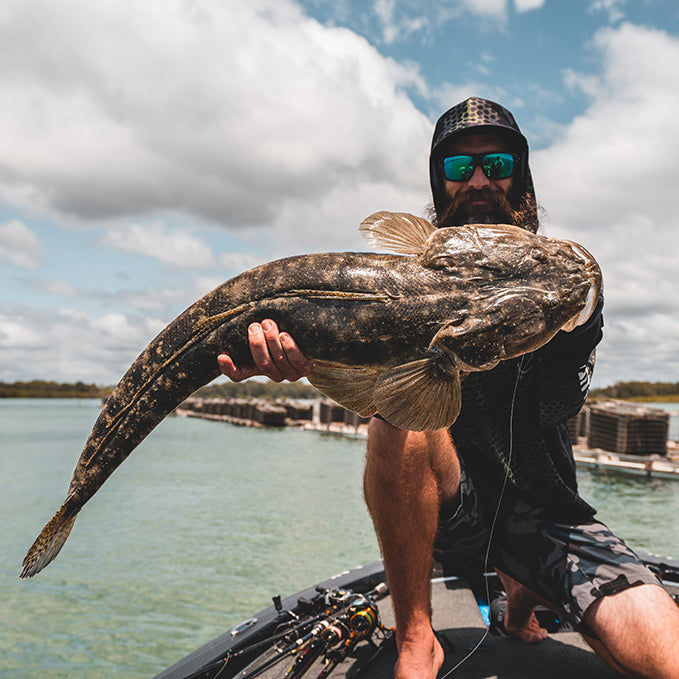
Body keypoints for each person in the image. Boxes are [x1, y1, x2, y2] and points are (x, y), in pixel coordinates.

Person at [217, 97, 679, 679]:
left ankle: (523, 595)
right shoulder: (400, 290)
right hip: (453, 514)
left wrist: (575, 317)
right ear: (439, 188)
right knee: (398, 423)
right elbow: (372, 387)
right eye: (459, 169)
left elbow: (561, 400)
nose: (480, 180)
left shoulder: (562, 285)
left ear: (525, 178)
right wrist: (308, 363)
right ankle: (418, 636)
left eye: (499, 163)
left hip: (548, 516)